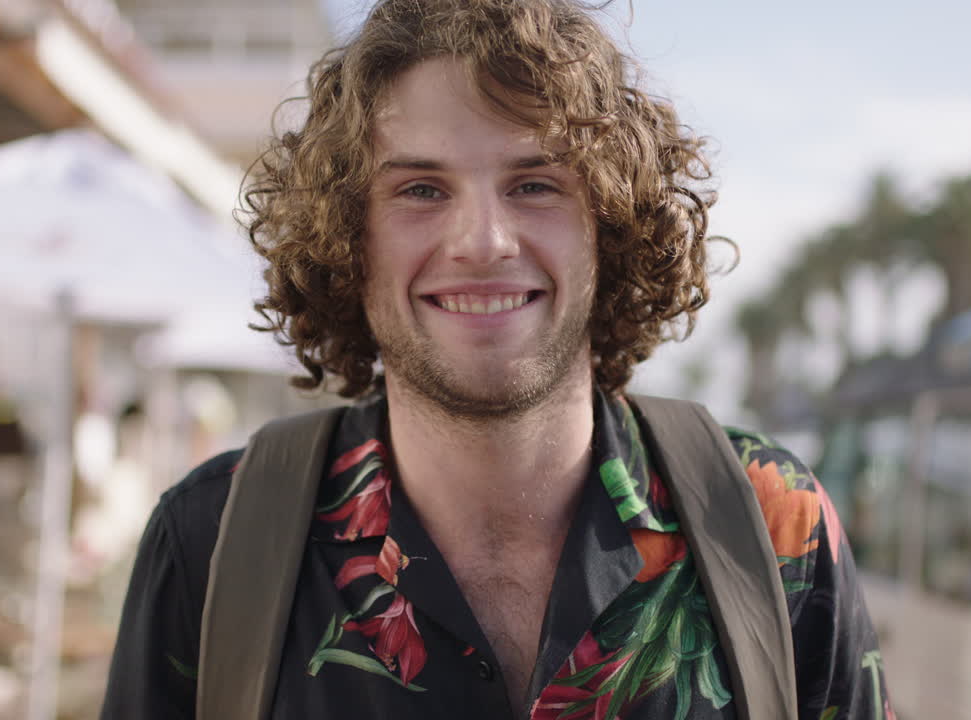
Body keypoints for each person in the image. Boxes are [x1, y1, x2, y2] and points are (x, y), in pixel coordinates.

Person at [101, 1, 892, 718]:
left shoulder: (770, 523)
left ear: (609, 226)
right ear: (350, 241)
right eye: (420, 190)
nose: (482, 241)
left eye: (535, 185)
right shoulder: (212, 540)